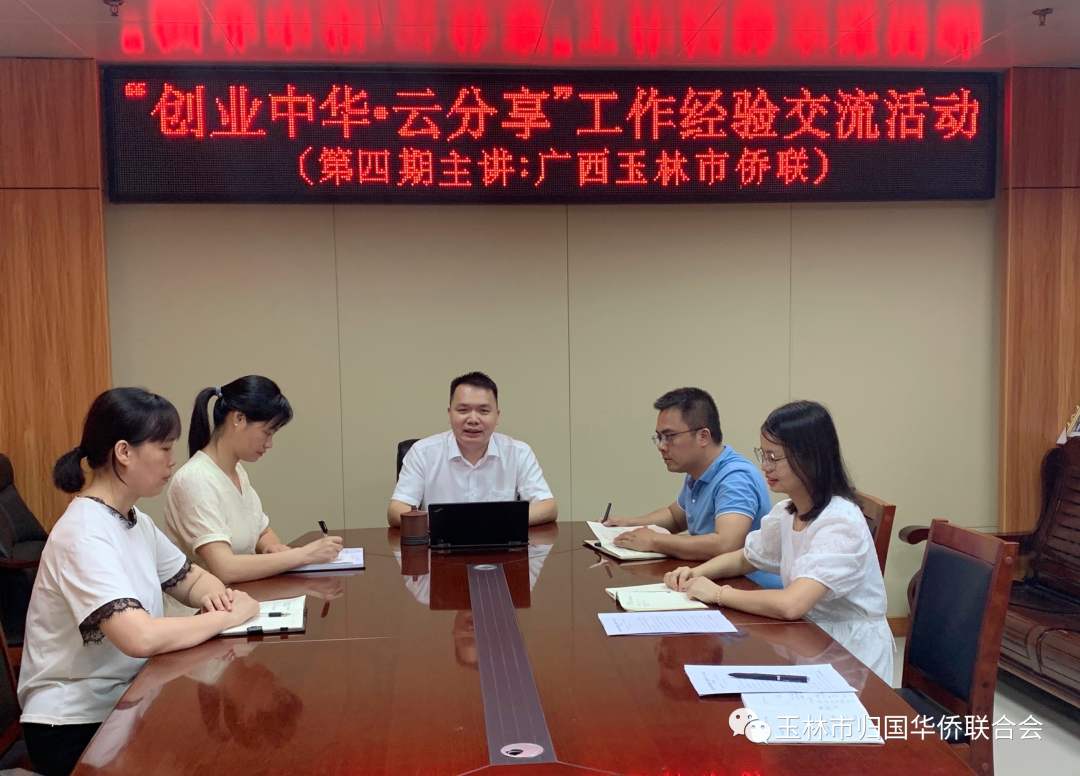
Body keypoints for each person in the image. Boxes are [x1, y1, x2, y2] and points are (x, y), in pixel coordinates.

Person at [17, 388, 260, 776]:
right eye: (163, 448)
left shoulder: (134, 520)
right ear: (124, 452)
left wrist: (219, 598)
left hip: (130, 698)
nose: (172, 460)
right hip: (74, 724)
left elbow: (193, 580)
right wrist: (227, 616)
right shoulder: (84, 533)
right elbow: (139, 637)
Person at [664, 400, 892, 682]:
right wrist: (696, 573)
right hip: (807, 638)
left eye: (774, 457)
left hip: (850, 656)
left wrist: (718, 594)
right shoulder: (787, 512)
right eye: (763, 454)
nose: (764, 466)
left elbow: (792, 604)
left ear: (810, 458)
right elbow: (746, 557)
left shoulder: (840, 522)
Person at [163, 376, 342, 587]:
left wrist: (270, 548)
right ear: (238, 419)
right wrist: (305, 555)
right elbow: (225, 568)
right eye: (267, 433)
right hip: (202, 604)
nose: (269, 444)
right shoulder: (194, 479)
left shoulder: (237, 472)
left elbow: (262, 532)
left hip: (240, 596)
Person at [603, 387, 781, 589]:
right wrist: (628, 523)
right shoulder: (699, 471)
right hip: (713, 581)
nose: (661, 446)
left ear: (703, 436)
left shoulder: (735, 477)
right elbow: (675, 517)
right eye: (659, 437)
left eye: (669, 436)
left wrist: (655, 541)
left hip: (750, 588)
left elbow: (726, 544)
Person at [387, 372, 557, 526]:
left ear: (497, 416)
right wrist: (444, 524)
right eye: (463, 410)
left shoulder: (518, 453)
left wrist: (495, 521)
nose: (473, 419)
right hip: (440, 546)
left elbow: (548, 507)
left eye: (483, 411)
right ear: (450, 414)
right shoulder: (422, 452)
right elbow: (396, 510)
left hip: (499, 546)